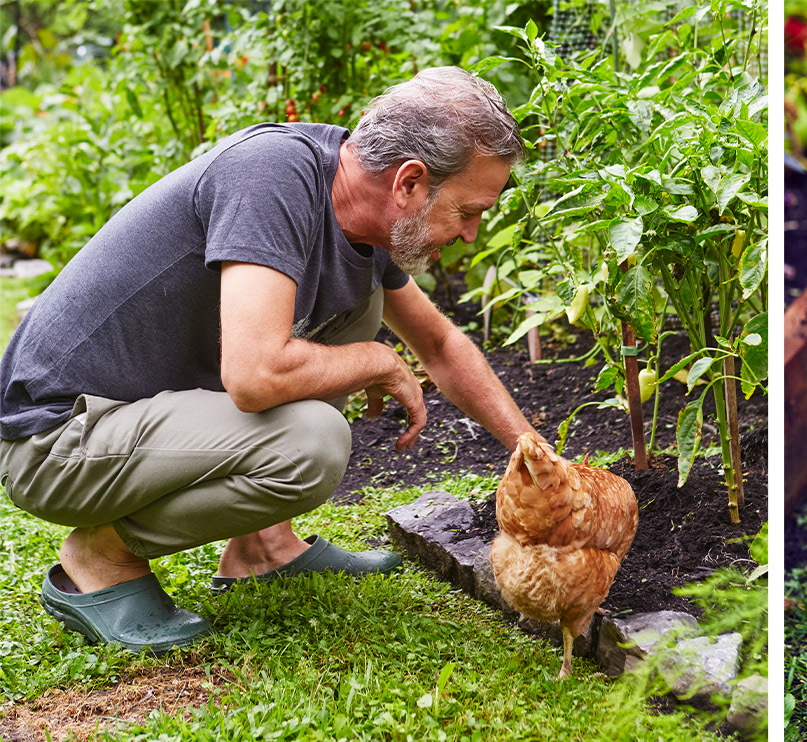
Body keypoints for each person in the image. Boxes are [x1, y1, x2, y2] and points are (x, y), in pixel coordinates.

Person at [0, 66, 538, 653]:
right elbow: (254, 378)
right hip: (60, 440)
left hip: (137, 420)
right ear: (409, 182)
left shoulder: (356, 208)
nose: (471, 235)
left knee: (362, 303)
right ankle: (100, 558)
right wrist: (375, 362)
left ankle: (264, 546)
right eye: (468, 211)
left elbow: (439, 345)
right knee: (311, 443)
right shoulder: (273, 178)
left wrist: (536, 459)